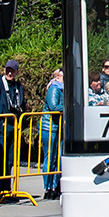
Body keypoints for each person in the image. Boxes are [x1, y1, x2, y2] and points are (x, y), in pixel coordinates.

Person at [0, 60, 25, 202]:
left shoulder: (18, 86)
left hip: (13, 125)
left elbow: (22, 105)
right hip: (1, 126)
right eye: (8, 70)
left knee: (10, 159)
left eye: (12, 71)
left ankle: (7, 190)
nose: (10, 73)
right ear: (4, 70)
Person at [41, 68, 64, 200]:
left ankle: (55, 186)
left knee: (58, 158)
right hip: (49, 127)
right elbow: (53, 107)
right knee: (50, 157)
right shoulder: (54, 89)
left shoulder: (62, 89)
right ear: (57, 78)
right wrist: (68, 105)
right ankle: (48, 187)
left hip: (58, 127)